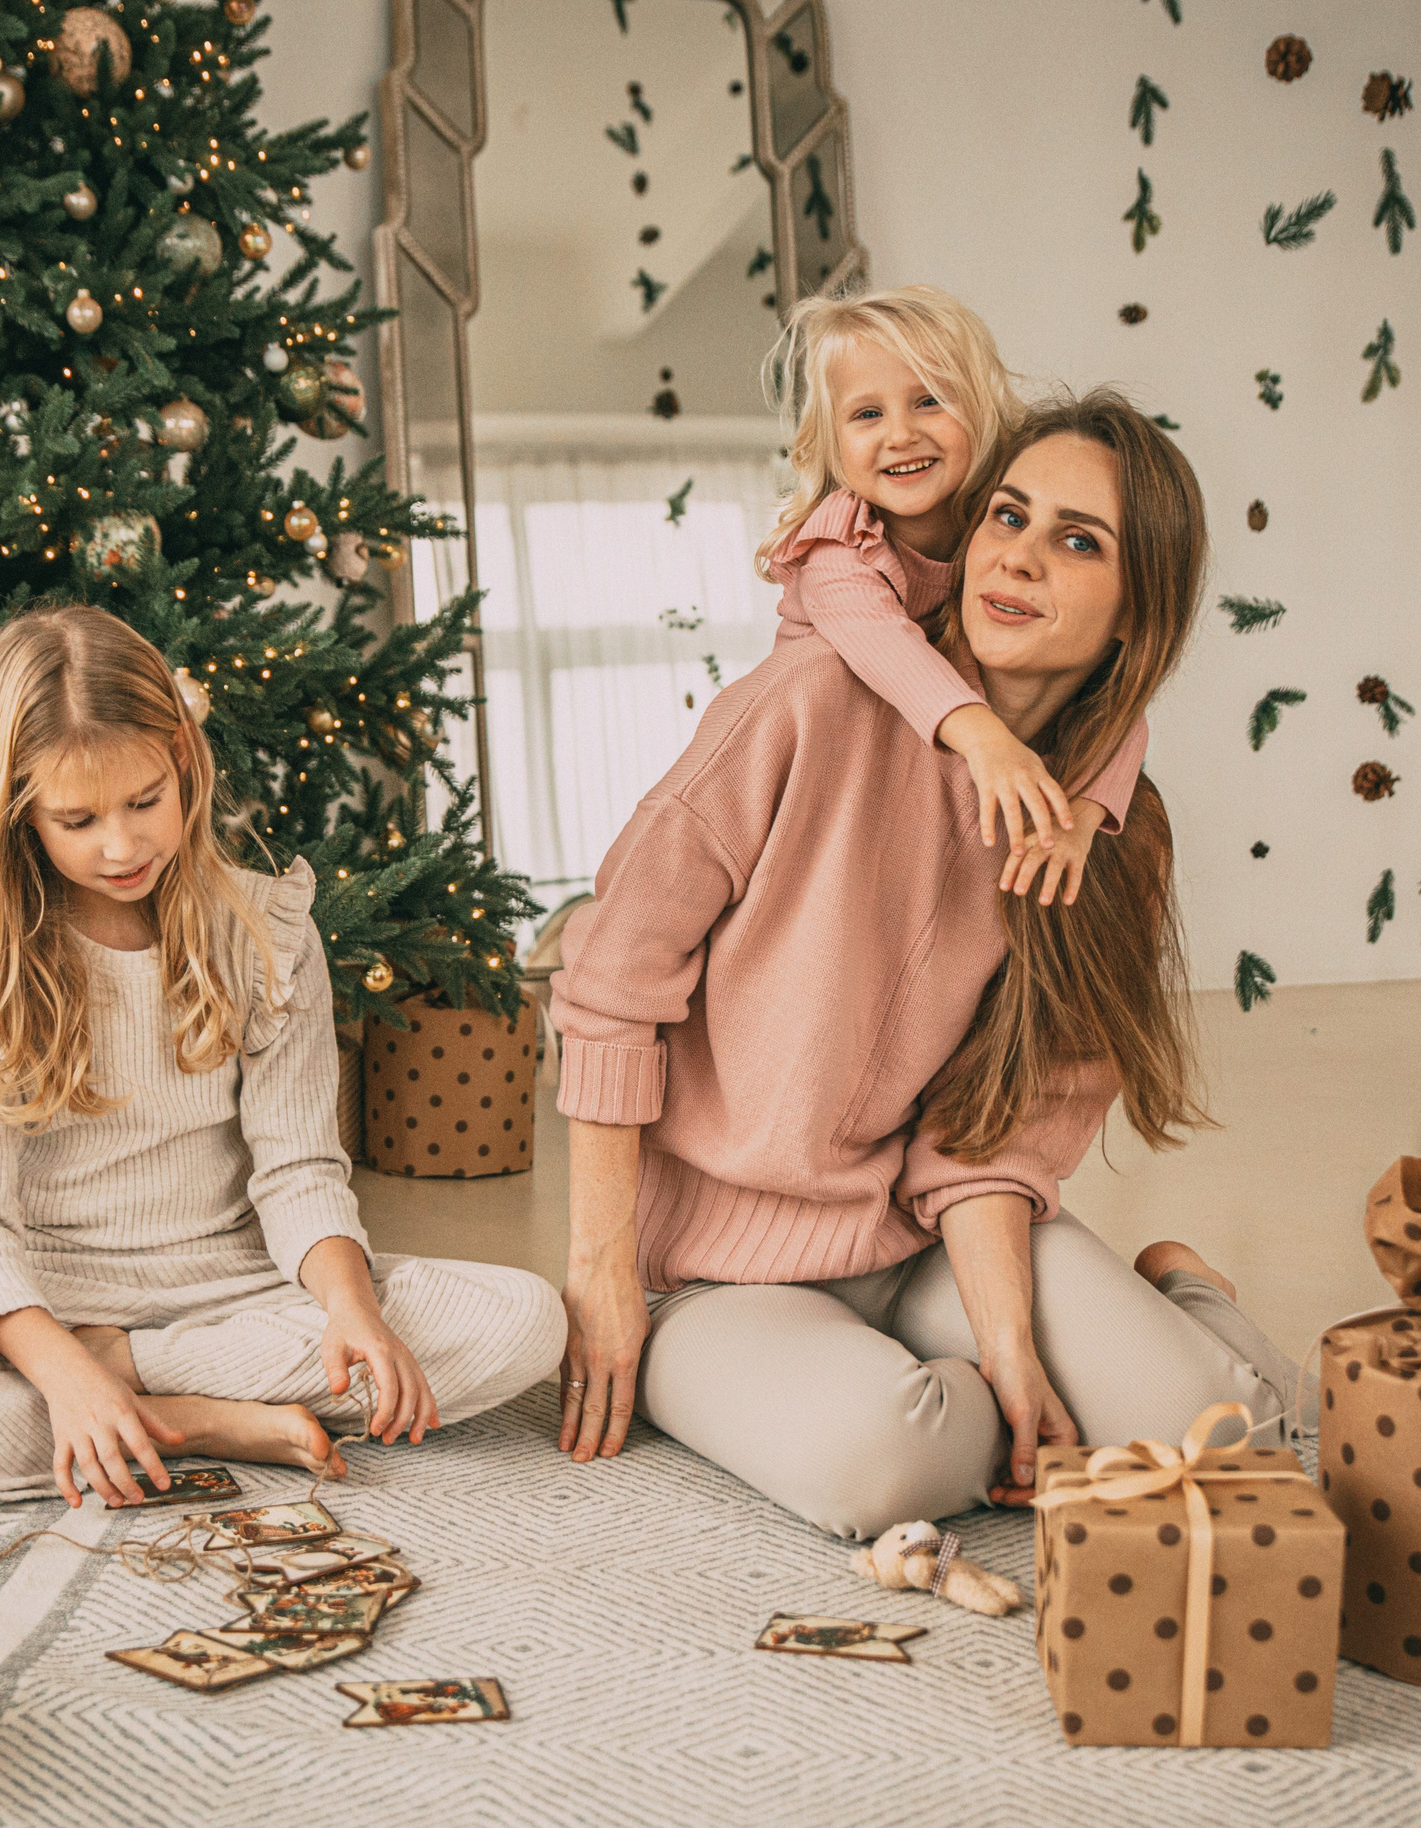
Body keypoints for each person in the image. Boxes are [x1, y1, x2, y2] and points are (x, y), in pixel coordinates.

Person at [550, 393, 1289, 1541]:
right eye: (1007, 515)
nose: (1017, 558)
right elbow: (607, 987)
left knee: (1214, 1442)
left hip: (931, 1242)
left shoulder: (1114, 838)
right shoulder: (806, 705)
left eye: (1078, 541)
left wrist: (1004, 1346)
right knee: (881, 1465)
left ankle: (1176, 1304)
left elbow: (998, 1127)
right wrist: (600, 1273)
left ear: (1133, 621)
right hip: (715, 1277)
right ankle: (1040, 1361)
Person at [0, 604, 563, 1513]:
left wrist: (349, 1309)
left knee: (524, 1323)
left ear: (183, 762)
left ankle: (128, 1391)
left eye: (144, 802)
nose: (122, 845)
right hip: (44, 1307)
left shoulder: (267, 932)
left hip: (241, 1295)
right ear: (19, 813)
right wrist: (61, 1367)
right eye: (78, 818)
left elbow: (300, 1169)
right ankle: (192, 1420)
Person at [759, 285, 1149, 909]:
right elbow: (883, 644)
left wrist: (1088, 809)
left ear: (980, 412)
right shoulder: (837, 548)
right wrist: (986, 739)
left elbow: (1118, 694)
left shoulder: (992, 535)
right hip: (821, 783)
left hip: (918, 784)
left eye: (929, 401)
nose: (901, 434)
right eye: (867, 415)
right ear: (831, 444)